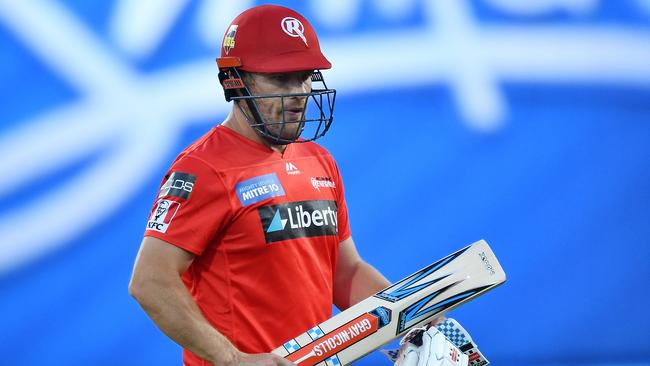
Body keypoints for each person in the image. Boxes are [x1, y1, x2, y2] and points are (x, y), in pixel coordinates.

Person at [128, 5, 391, 366]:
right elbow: (150, 281)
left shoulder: (319, 160)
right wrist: (233, 360)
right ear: (234, 80)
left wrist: (412, 318)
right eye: (280, 79)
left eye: (305, 76)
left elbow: (344, 273)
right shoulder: (203, 168)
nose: (299, 92)